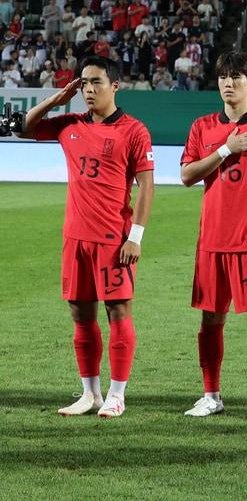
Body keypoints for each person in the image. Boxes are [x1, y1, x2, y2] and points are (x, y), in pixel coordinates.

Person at [17, 56, 155, 418]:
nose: (89, 90)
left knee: (117, 311)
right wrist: (55, 100)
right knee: (80, 314)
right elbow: (24, 128)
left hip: (113, 239)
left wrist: (135, 236)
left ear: (115, 86)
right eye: (84, 84)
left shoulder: (133, 130)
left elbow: (146, 187)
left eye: (96, 82)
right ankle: (89, 393)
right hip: (74, 237)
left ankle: (117, 394)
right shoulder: (70, 124)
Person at [178, 52, 247, 421]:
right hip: (211, 241)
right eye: (224, 77)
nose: (229, 83)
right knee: (210, 320)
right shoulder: (201, 127)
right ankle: (211, 396)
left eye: (237, 77)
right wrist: (227, 149)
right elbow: (186, 175)